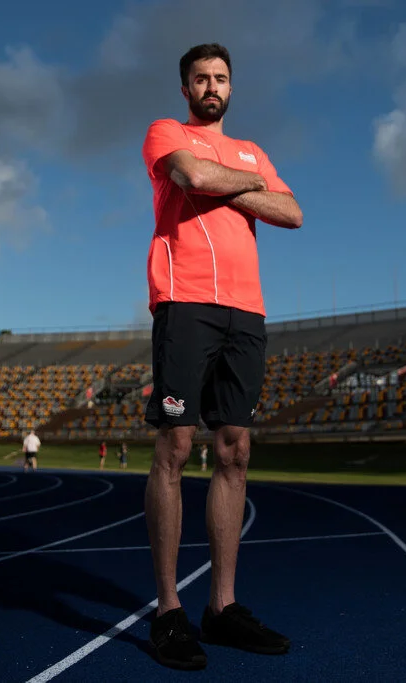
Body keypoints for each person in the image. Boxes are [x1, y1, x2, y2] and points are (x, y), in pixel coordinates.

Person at [141, 43, 302, 671]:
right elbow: (193, 176)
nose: (212, 86)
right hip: (184, 303)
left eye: (221, 78)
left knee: (235, 448)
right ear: (186, 89)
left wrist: (244, 179)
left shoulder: (252, 150)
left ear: (232, 87)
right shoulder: (166, 132)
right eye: (202, 79)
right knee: (176, 447)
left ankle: (222, 608)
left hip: (246, 312)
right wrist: (251, 185)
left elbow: (291, 212)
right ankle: (169, 612)